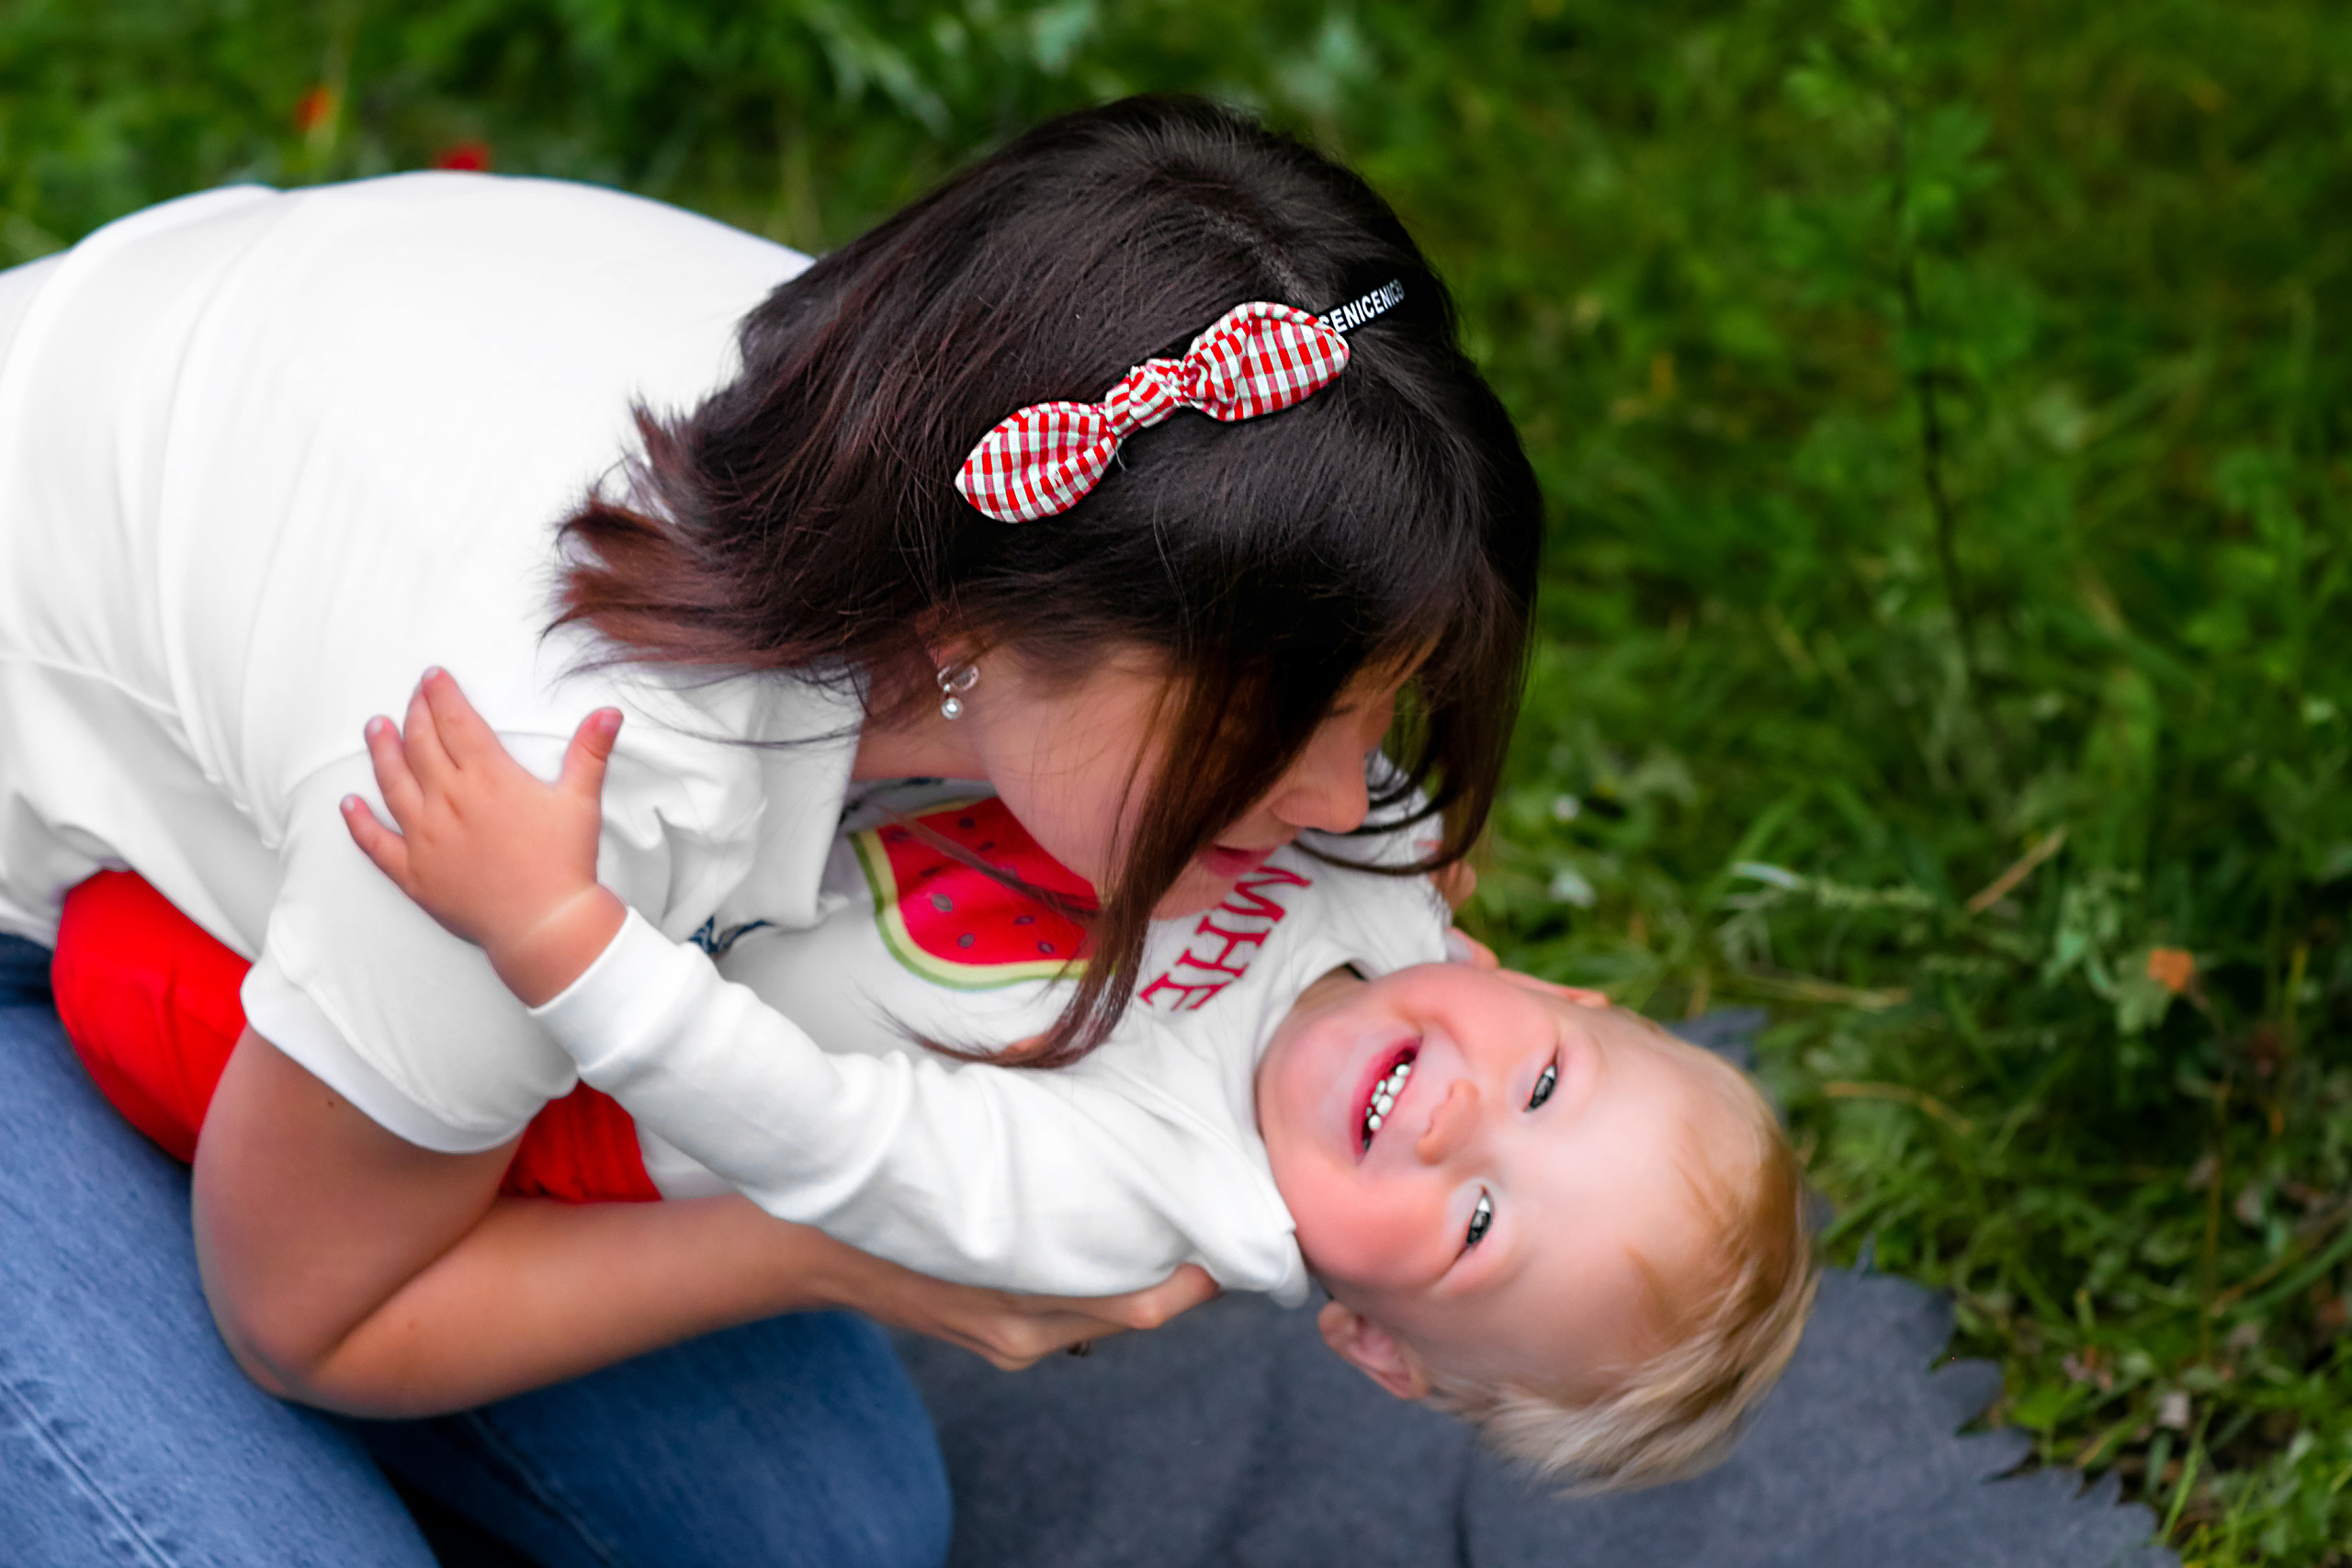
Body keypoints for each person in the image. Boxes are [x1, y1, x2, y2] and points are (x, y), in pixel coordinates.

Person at [0, 96, 1540, 1566]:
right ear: (986, 629)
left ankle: (288, 1072)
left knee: (827, 1529)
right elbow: (309, 1317)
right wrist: (838, 1250)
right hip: (85, 866)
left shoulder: (987, 431)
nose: (1344, 801)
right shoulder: (563, 783)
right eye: (1280, 732)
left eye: (1378, 713)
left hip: (208, 592)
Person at [331, 670, 1815, 1490]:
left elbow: (820, 1132)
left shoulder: (1133, 1200)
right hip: (742, 812)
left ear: (1373, 1345)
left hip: (585, 1073)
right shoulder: (1375, 856)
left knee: (198, 999)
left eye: (1484, 1226)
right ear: (1547, 989)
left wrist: (556, 937)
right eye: (1547, 1084)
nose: (1458, 1119)